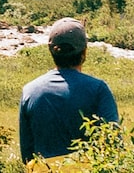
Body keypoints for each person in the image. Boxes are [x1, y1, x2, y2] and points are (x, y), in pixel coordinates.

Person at [18, 17, 119, 165]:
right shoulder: (98, 89)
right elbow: (113, 145)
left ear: (51, 51)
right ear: (84, 52)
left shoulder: (29, 91)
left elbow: (27, 155)